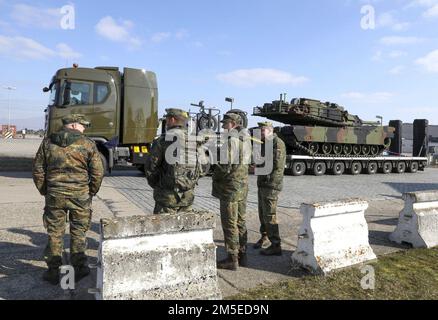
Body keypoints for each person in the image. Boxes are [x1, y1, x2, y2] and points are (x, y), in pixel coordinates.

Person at [32, 114, 104, 285]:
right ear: (72, 125)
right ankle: (79, 269)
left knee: (55, 233)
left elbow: (38, 169)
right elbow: (98, 173)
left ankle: (53, 271)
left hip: (55, 195)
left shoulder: (48, 142)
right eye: (82, 125)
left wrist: (45, 190)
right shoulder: (88, 144)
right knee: (78, 232)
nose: (84, 128)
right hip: (80, 196)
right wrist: (91, 192)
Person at [145, 108, 202, 214]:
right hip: (187, 198)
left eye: (166, 120)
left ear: (172, 119)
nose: (166, 123)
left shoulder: (162, 141)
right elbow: (202, 168)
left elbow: (151, 168)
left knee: (164, 229)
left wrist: (159, 186)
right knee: (186, 229)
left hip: (166, 199)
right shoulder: (194, 141)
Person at [213, 113, 250, 270]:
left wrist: (214, 173)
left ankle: (232, 258)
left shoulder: (231, 142)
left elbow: (223, 167)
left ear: (234, 123)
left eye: (225, 123)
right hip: (242, 186)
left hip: (230, 189)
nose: (223, 126)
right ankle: (242, 254)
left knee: (229, 223)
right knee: (240, 221)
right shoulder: (246, 140)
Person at [254, 122, 286, 256]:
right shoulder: (265, 143)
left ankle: (276, 244)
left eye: (262, 130)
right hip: (263, 183)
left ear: (269, 131)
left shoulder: (277, 143)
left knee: (270, 215)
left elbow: (275, 164)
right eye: (260, 130)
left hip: (271, 184)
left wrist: (257, 168)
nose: (260, 133)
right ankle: (265, 236)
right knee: (262, 213)